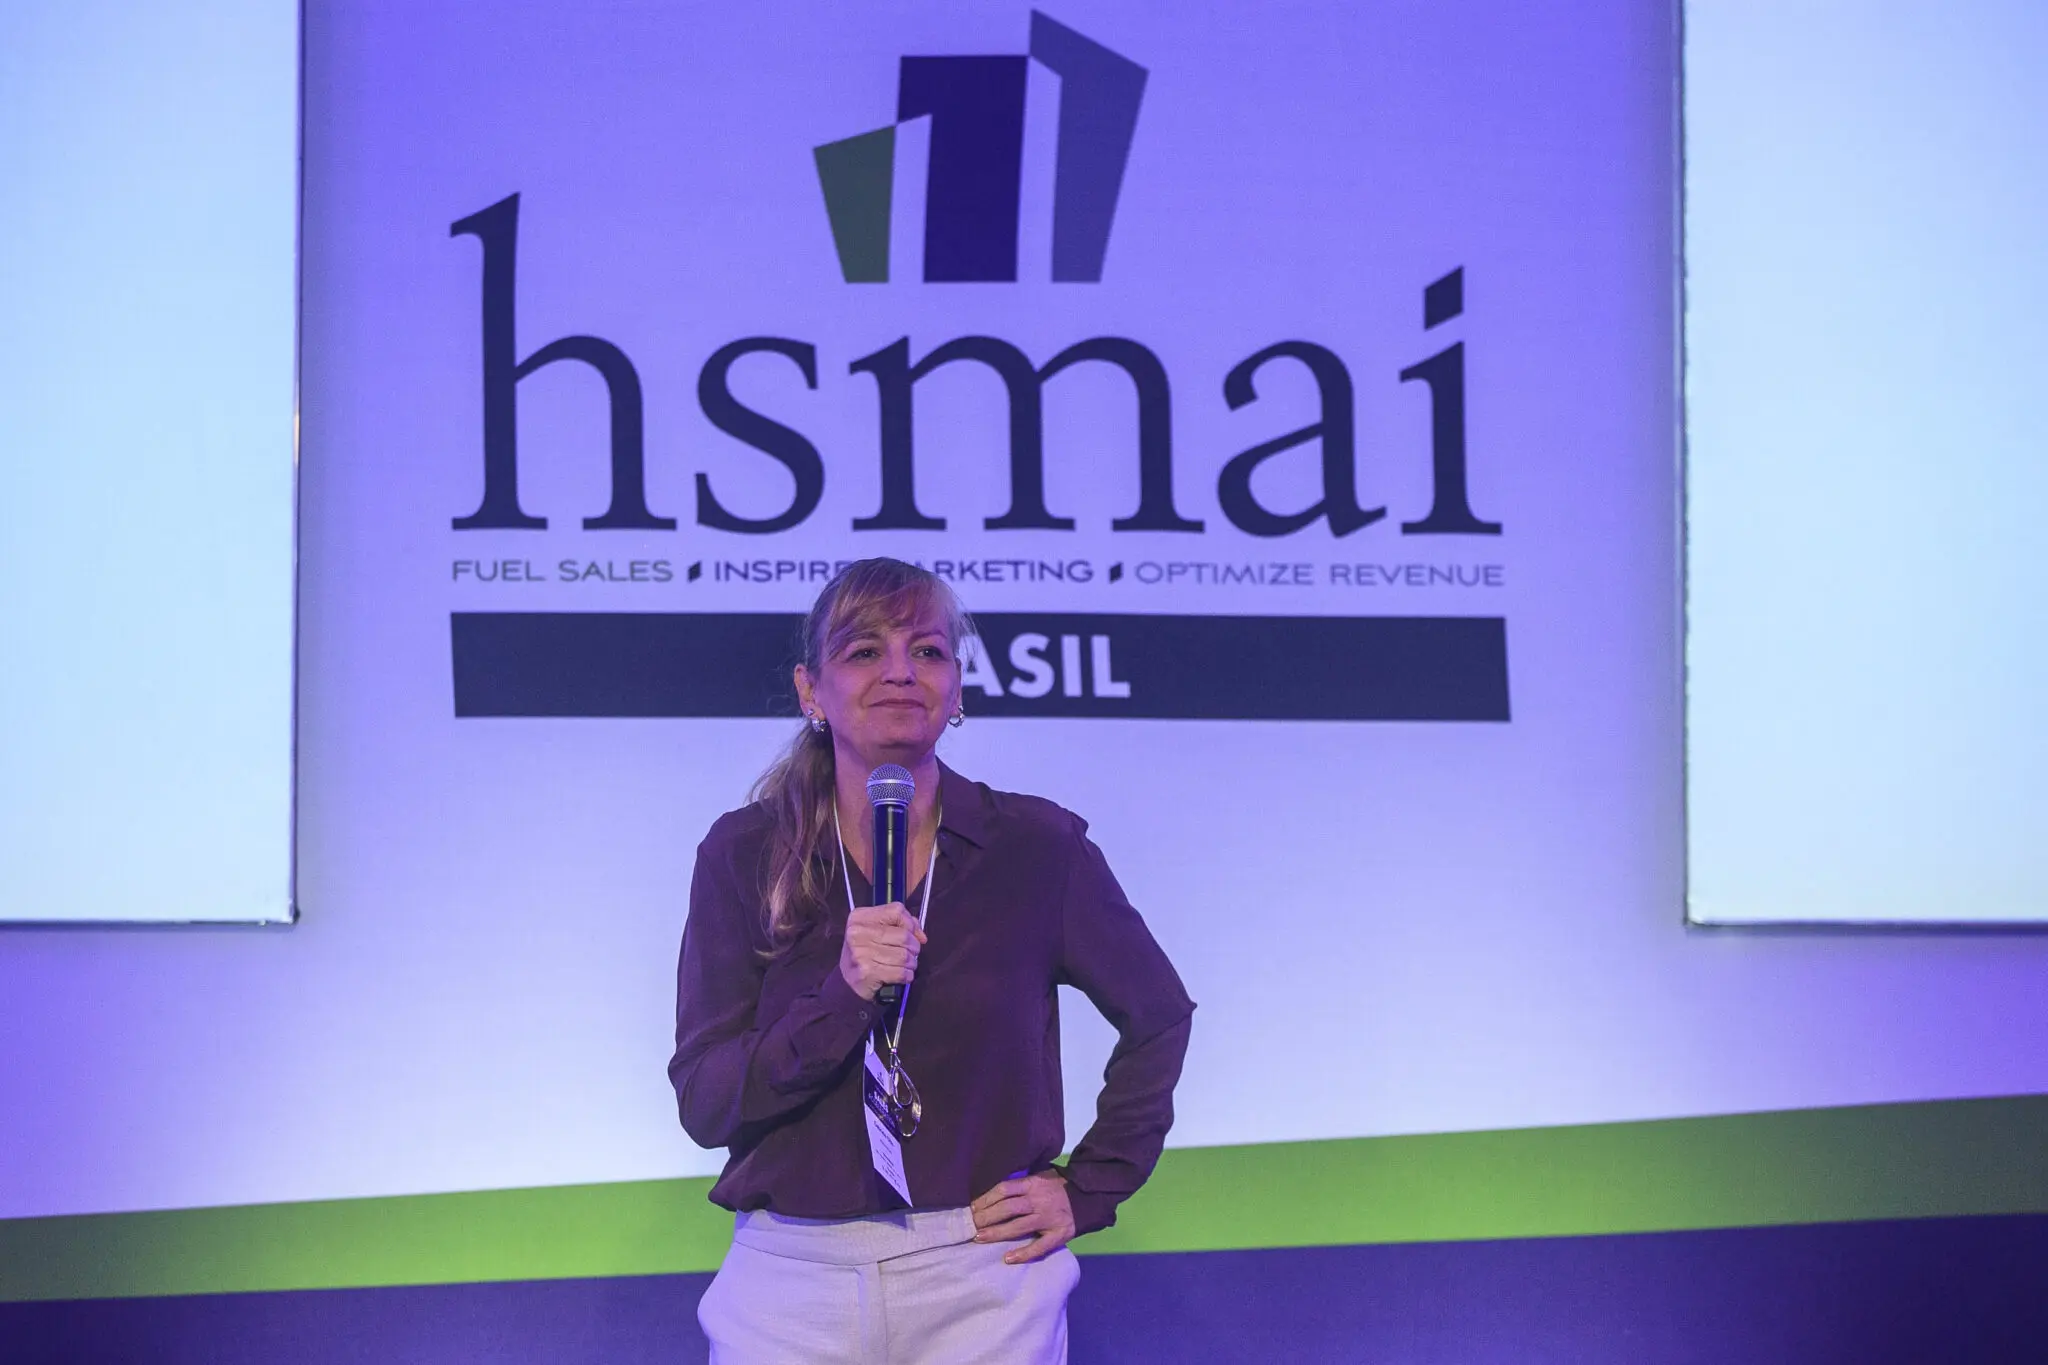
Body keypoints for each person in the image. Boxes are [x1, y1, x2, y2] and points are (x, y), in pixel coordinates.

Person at [668, 557, 1195, 1364]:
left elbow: (1158, 1015)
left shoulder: (1035, 847)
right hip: (790, 1281)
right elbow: (706, 1102)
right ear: (811, 691)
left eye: (927, 651)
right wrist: (842, 995)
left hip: (982, 1273)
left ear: (956, 689)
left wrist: (1090, 1185)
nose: (900, 672)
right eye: (864, 651)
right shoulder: (744, 852)